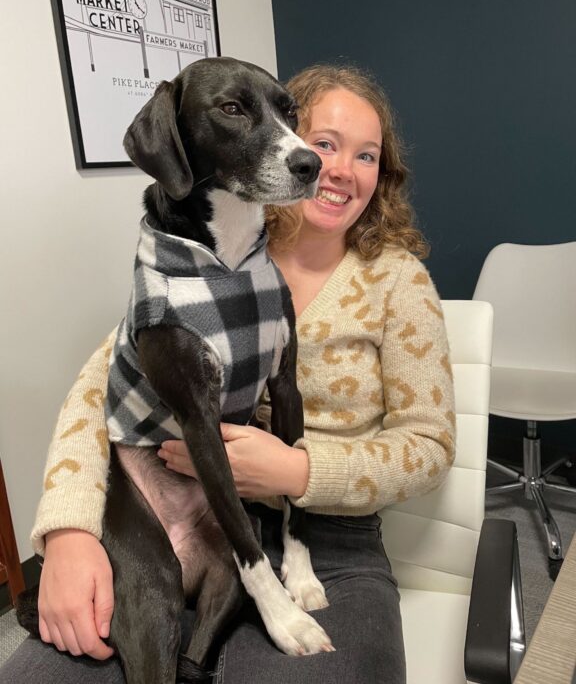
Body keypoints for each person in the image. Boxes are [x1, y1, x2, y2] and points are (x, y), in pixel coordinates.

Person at [2, 63, 456, 684]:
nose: (336, 168)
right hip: (171, 509)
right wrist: (67, 533)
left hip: (328, 539)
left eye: (368, 155)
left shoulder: (399, 283)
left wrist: (296, 470)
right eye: (324, 143)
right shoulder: (203, 257)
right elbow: (96, 395)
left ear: (385, 172)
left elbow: (429, 446)